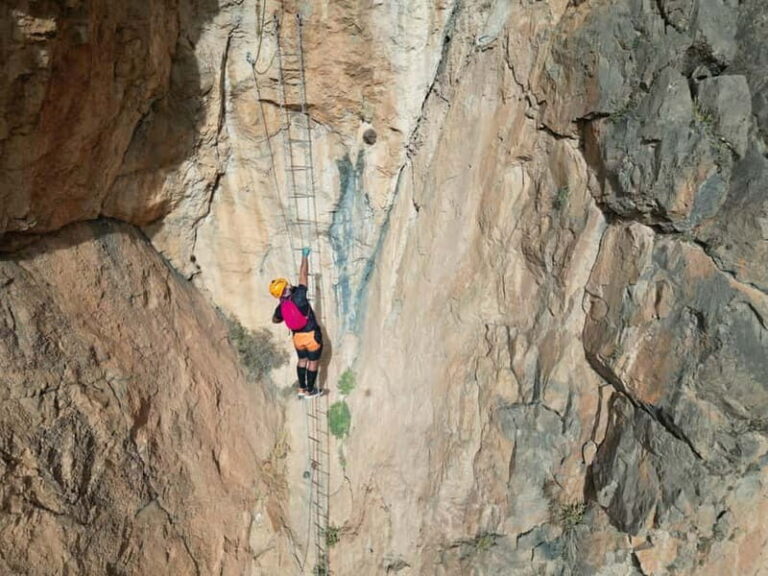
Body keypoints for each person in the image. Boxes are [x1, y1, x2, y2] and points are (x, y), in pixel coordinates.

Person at [270, 247, 324, 398]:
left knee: (302, 360)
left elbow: (275, 320)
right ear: (286, 288)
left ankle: (301, 389)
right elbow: (303, 274)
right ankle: (310, 390)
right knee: (313, 362)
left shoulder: (281, 307)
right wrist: (304, 256)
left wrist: (286, 317)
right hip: (311, 336)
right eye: (286, 284)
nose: (288, 284)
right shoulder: (299, 296)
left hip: (297, 339)